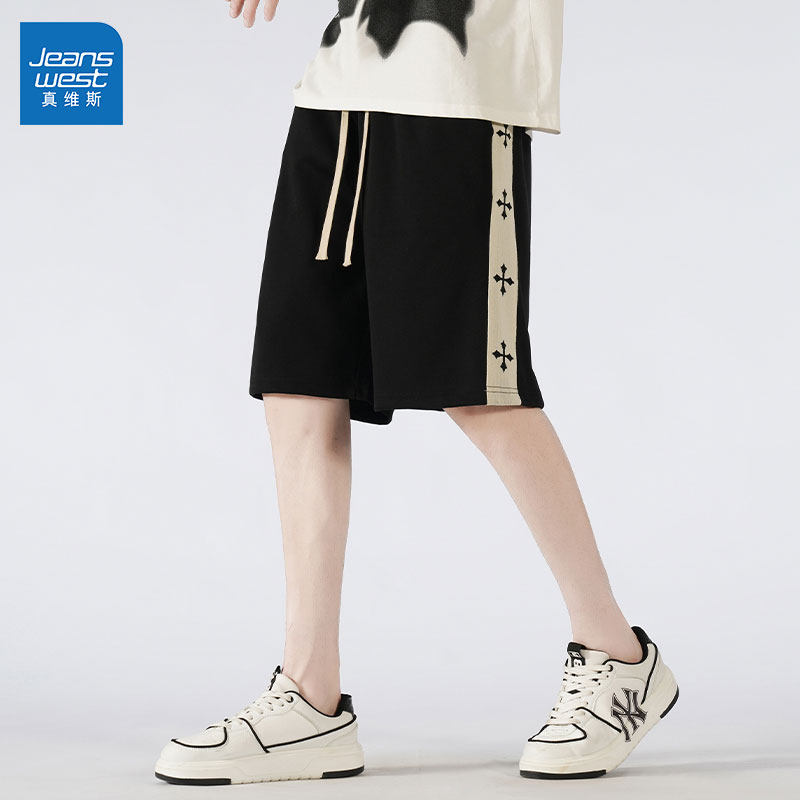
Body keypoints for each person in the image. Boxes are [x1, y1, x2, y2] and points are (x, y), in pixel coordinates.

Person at [155, 0, 679, 785]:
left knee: (480, 385)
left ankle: (618, 656)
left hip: (457, 86)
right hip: (340, 86)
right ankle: (309, 697)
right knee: (301, 384)